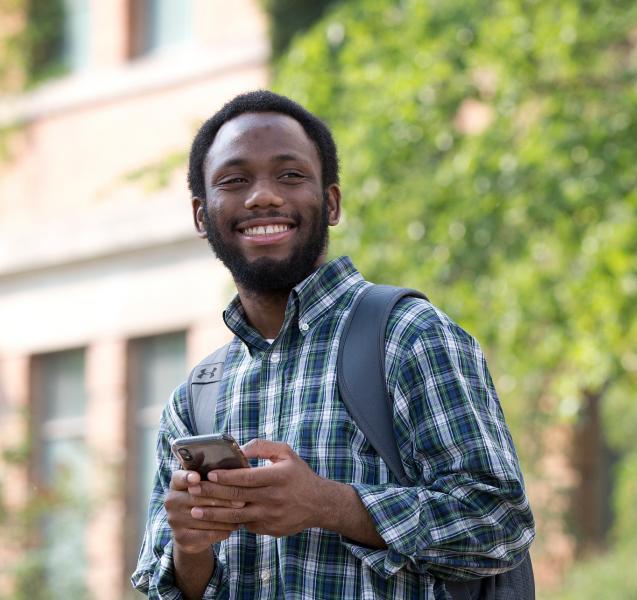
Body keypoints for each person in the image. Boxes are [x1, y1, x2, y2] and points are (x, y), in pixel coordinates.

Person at [131, 90, 534, 599]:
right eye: (234, 181)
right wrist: (192, 548)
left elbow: (501, 523)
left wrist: (329, 505)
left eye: (290, 175)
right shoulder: (196, 398)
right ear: (201, 215)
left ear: (332, 202)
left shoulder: (407, 336)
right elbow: (166, 587)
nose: (263, 197)